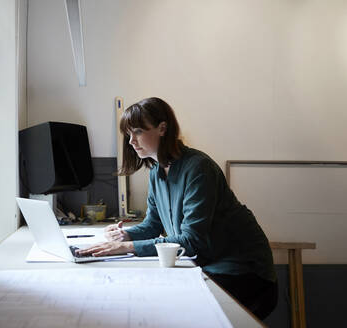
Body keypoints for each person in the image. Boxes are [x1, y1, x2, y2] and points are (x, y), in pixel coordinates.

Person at [78, 97, 278, 320]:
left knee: (174, 307)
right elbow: (153, 225)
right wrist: (124, 235)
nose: (132, 141)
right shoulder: (156, 173)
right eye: (129, 134)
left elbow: (191, 241)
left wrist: (127, 246)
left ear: (162, 128)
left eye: (138, 131)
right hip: (208, 263)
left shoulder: (199, 169)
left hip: (244, 272)